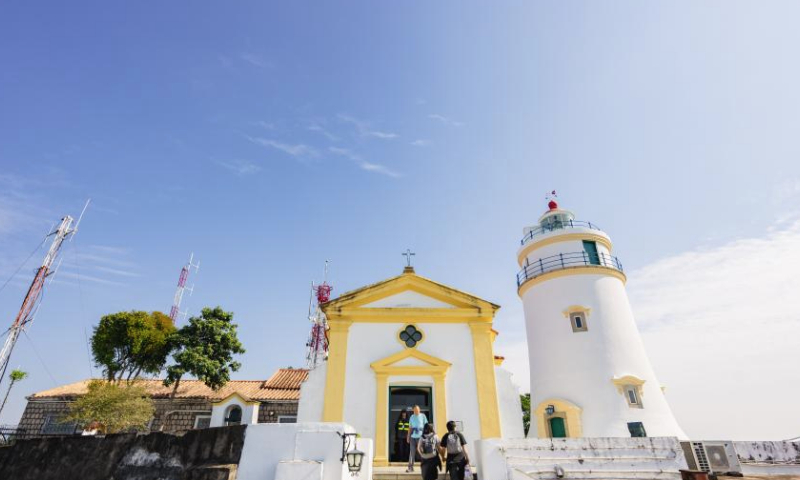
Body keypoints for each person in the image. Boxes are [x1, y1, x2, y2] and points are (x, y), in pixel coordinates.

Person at [406, 405, 428, 472]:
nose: (417, 411)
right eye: (415, 410)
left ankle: (425, 467)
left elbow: (426, 426)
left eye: (418, 410)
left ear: (419, 410)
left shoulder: (423, 416)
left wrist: (426, 436)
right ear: (413, 410)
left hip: (421, 437)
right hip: (413, 437)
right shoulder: (412, 417)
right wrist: (408, 436)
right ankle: (410, 467)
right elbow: (410, 428)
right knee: (412, 452)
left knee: (421, 452)